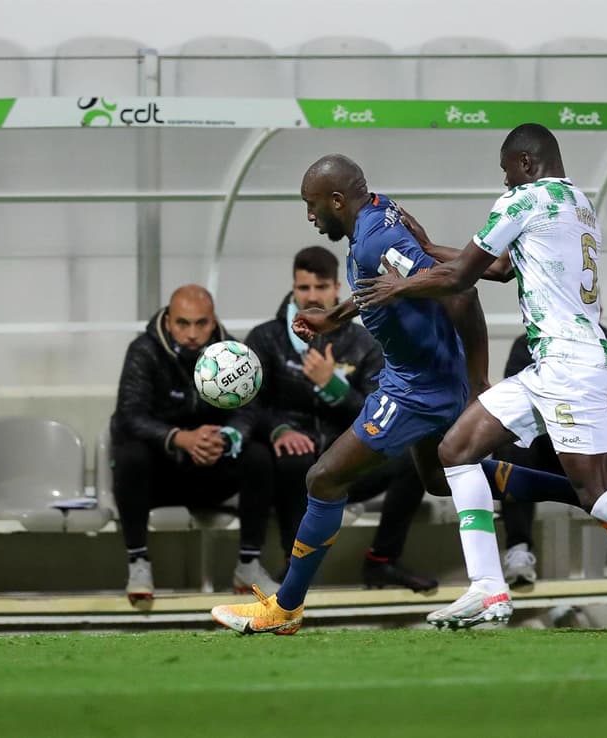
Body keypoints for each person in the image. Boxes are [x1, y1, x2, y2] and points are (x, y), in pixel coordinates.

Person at [351, 123, 607, 633]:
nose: (504, 185)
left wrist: (400, 287)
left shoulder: (523, 200)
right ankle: (487, 589)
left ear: (525, 162)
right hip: (555, 362)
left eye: (506, 173)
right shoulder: (577, 203)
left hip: (568, 366)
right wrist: (429, 246)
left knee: (599, 495)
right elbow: (499, 270)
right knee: (456, 450)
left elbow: (462, 279)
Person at [211, 154, 498, 636]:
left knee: (322, 479)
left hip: (416, 389)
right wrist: (336, 317)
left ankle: (286, 606)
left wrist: (478, 384)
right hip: (425, 378)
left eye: (312, 205)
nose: (309, 216)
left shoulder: (376, 237)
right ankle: (585, 492)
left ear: (337, 200)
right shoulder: (379, 210)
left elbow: (460, 294)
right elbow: (392, 287)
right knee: (442, 477)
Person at [245, 245, 437, 592]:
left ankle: (383, 561)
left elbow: (377, 409)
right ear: (293, 288)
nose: (312, 296)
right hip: (293, 461)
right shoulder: (266, 339)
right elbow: (250, 407)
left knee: (415, 458)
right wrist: (279, 430)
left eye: (321, 287)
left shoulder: (365, 342)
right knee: (293, 459)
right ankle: (294, 566)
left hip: (348, 459)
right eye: (304, 288)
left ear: (336, 288)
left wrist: (334, 388)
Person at [110, 284, 278, 604]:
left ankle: (248, 564)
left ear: (213, 322)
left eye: (201, 323)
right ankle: (138, 562)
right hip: (162, 475)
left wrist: (225, 440)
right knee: (130, 456)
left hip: (211, 468)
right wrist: (180, 439)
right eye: (183, 323)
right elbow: (130, 415)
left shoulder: (232, 354)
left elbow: (249, 410)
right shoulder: (144, 351)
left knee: (258, 456)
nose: (191, 333)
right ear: (169, 321)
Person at [498, 326, 607, 587]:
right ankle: (518, 549)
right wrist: (577, 437)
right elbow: (516, 410)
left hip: (602, 457)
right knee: (510, 445)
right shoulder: (529, 345)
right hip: (550, 453)